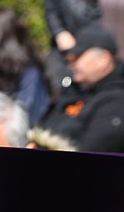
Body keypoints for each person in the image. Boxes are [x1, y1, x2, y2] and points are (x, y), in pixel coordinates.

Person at [39, 22, 124, 152]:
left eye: (77, 57)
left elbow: (91, 152)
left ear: (103, 59)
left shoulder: (117, 101)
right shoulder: (73, 90)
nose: (71, 64)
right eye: (69, 59)